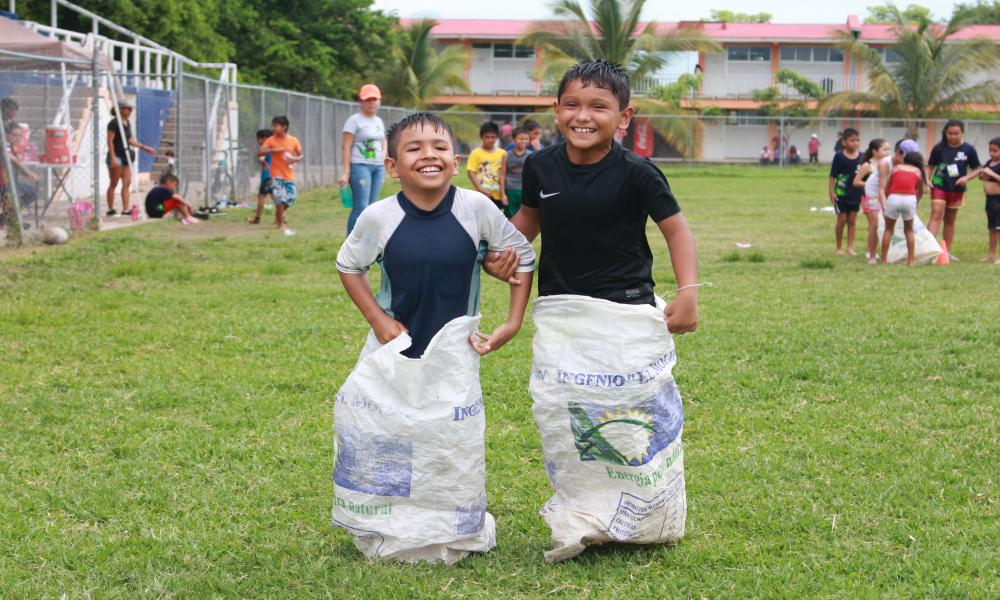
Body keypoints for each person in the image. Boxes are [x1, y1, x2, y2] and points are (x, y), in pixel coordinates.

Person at [487, 59, 699, 337]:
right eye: (572, 105)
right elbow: (529, 217)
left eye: (598, 107)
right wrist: (496, 252)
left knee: (630, 381)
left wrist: (689, 292)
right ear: (557, 110)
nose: (583, 116)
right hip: (559, 302)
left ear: (624, 117)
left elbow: (676, 231)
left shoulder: (638, 172)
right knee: (561, 382)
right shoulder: (539, 166)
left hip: (626, 302)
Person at [927, 119, 981, 258]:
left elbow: (977, 169)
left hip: (956, 189)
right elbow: (930, 166)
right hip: (939, 185)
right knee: (936, 214)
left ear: (962, 133)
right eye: (950, 133)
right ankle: (929, 249)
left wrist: (966, 178)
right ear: (945, 133)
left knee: (950, 220)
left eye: (956, 133)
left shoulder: (969, 149)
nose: (952, 136)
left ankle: (946, 252)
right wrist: (926, 180)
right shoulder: (939, 148)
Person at [339, 84, 387, 235]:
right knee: (361, 206)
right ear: (361, 101)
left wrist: (384, 156)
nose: (371, 103)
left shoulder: (378, 121)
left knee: (372, 207)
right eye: (368, 100)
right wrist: (346, 172)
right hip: (360, 166)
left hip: (378, 167)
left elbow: (383, 140)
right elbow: (345, 147)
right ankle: (351, 244)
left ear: (379, 101)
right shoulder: (354, 120)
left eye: (374, 99)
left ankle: (367, 242)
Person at [106, 102, 155, 217]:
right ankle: (111, 209)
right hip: (116, 155)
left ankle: (125, 209)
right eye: (127, 109)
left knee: (126, 183)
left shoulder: (127, 123)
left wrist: (144, 147)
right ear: (120, 110)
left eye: (130, 109)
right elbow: (110, 141)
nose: (129, 111)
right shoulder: (113, 123)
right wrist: (112, 157)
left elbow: (130, 140)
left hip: (126, 155)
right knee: (114, 183)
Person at [880, 151, 926, 265]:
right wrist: (917, 201)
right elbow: (920, 191)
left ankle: (884, 260)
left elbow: (887, 187)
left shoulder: (896, 168)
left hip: (894, 198)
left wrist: (888, 198)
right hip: (910, 199)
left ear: (905, 159)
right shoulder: (918, 171)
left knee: (888, 230)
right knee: (909, 231)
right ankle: (911, 261)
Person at [258, 115, 302, 234]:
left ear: (284, 127)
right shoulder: (271, 140)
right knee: (280, 200)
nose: (273, 128)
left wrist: (294, 159)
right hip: (275, 175)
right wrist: (273, 150)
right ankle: (280, 223)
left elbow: (300, 155)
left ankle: (278, 214)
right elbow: (260, 152)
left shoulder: (293, 140)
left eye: (275, 126)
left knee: (291, 198)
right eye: (272, 126)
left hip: (289, 175)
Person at [854, 138, 890, 264]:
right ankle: (872, 254)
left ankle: (884, 252)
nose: (887, 152)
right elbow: (856, 182)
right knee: (874, 225)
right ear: (875, 151)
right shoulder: (867, 165)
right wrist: (871, 184)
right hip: (870, 198)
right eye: (884, 149)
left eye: (888, 149)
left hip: (883, 197)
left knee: (884, 224)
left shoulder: (886, 164)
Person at [829, 128, 863, 255]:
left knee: (852, 221)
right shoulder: (839, 156)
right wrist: (831, 192)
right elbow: (833, 175)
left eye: (858, 140)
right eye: (852, 140)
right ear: (844, 142)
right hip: (841, 189)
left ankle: (850, 247)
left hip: (856, 192)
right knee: (842, 219)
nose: (855, 143)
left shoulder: (862, 157)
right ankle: (839, 247)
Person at [467, 121, 507, 211]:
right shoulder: (475, 153)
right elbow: (471, 173)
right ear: (481, 137)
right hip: (479, 194)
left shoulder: (503, 153)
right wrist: (480, 189)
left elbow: (502, 175)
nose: (490, 140)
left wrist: (503, 194)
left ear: (497, 138)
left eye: (493, 137)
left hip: (497, 196)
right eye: (487, 137)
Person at [978, 137, 1000, 264]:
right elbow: (983, 176)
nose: (992, 153)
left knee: (999, 228)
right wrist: (982, 175)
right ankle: (991, 254)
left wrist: (990, 174)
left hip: (999, 200)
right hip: (990, 200)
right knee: (991, 227)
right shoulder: (989, 163)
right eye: (990, 151)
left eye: (995, 151)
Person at [504, 128, 530, 219]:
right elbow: (503, 174)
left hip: (525, 190)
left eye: (526, 139)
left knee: (524, 216)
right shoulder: (507, 155)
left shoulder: (531, 155)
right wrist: (503, 194)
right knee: (510, 216)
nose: (523, 141)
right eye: (520, 139)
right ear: (514, 139)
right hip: (510, 189)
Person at [248, 129, 272, 224]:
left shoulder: (266, 148)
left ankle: (257, 218)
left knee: (261, 197)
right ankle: (281, 218)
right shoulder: (274, 148)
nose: (258, 142)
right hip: (274, 177)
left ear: (265, 138)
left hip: (267, 177)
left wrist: (261, 160)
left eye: (259, 139)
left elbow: (261, 158)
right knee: (276, 199)